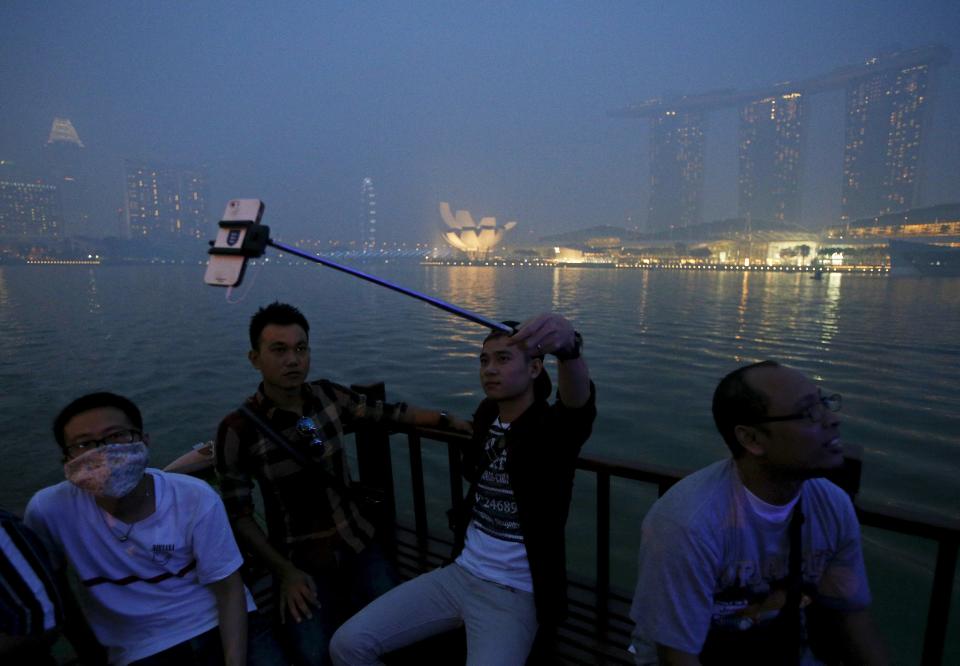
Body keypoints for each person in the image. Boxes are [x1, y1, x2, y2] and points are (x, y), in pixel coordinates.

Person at [329, 312, 595, 666]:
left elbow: (577, 407)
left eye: (503, 359)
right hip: (459, 573)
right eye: (484, 360)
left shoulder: (552, 431)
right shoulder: (487, 415)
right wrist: (444, 419)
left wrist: (570, 350)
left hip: (514, 592)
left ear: (534, 369)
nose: (489, 369)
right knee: (348, 645)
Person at [215, 302, 467, 666]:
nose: (293, 360)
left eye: (301, 349)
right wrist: (284, 572)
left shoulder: (327, 397)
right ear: (255, 358)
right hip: (300, 562)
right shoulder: (238, 429)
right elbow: (239, 514)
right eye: (279, 350)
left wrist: (447, 420)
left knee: (407, 638)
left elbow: (390, 413)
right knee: (314, 654)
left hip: (359, 542)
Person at [629, 360, 887, 665]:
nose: (832, 419)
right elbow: (678, 658)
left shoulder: (832, 505)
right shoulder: (687, 524)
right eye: (809, 412)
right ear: (751, 439)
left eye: (825, 403)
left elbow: (851, 615)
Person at [24, 392, 285, 666]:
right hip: (138, 647)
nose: (103, 452)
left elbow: (229, 590)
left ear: (144, 440)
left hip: (216, 623)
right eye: (84, 444)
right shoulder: (49, 511)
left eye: (116, 436)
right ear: (66, 460)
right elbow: (54, 593)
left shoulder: (194, 497)